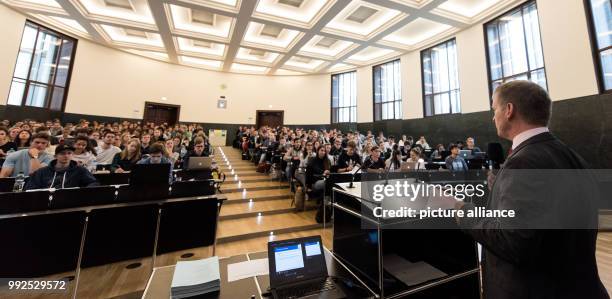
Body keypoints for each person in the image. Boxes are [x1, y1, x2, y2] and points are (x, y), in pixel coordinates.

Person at [455, 81, 608, 299]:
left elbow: (512, 240)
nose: (493, 117)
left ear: (509, 110)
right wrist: (502, 186)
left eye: (494, 109)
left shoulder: (523, 163)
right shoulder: (572, 156)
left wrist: (461, 210)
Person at [24, 144, 98, 190]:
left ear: (72, 155)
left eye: (69, 153)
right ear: (55, 156)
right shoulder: (42, 171)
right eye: (62, 153)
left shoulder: (80, 170)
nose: (66, 156)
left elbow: (93, 183)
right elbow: (30, 187)